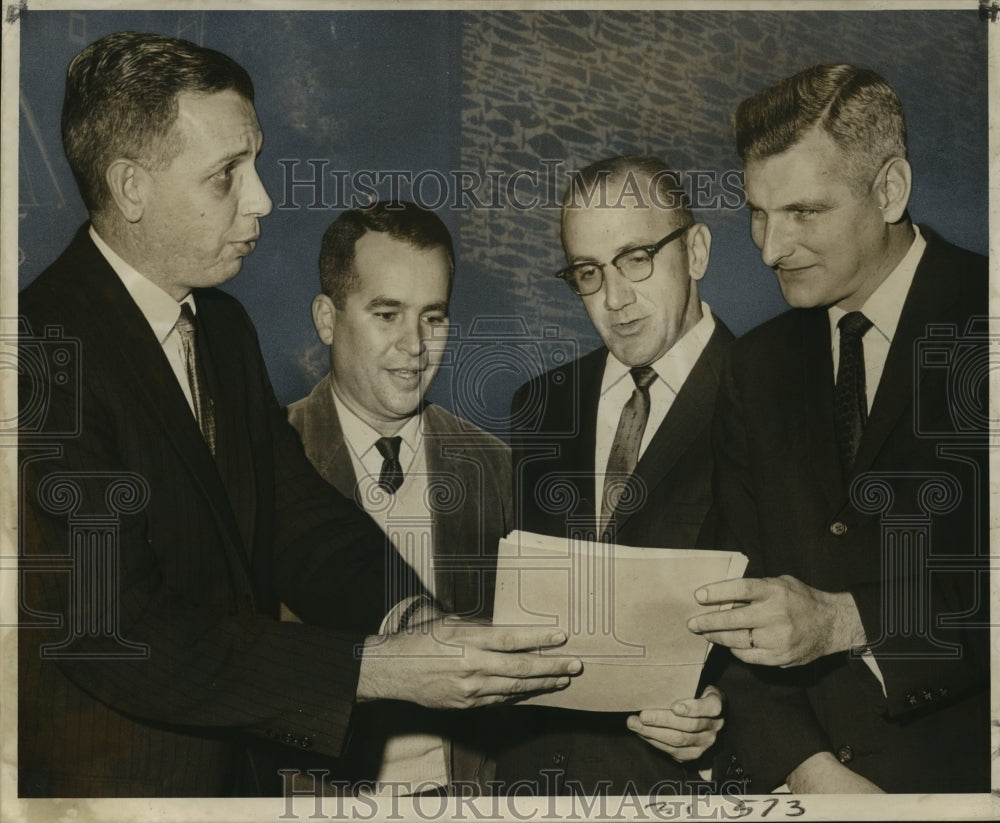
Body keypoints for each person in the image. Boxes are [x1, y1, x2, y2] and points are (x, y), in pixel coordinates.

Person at [17, 31, 578, 798]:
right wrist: (373, 668)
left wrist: (409, 612)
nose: (264, 200)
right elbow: (113, 628)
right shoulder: (39, 352)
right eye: (227, 175)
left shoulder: (220, 328)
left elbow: (294, 515)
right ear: (131, 186)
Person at [688, 64, 989, 793]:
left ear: (890, 189)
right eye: (758, 212)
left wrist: (847, 619)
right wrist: (810, 772)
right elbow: (735, 596)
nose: (769, 248)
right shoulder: (753, 366)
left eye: (804, 212)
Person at [492, 155, 732, 795]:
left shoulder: (771, 396)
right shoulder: (542, 405)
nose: (614, 298)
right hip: (533, 784)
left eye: (636, 258)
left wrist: (722, 720)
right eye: (588, 273)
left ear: (697, 251)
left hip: (687, 789)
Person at [284, 201, 511, 795]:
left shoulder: (496, 467)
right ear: (327, 319)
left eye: (432, 318)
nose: (416, 345)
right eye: (387, 314)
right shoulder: (268, 459)